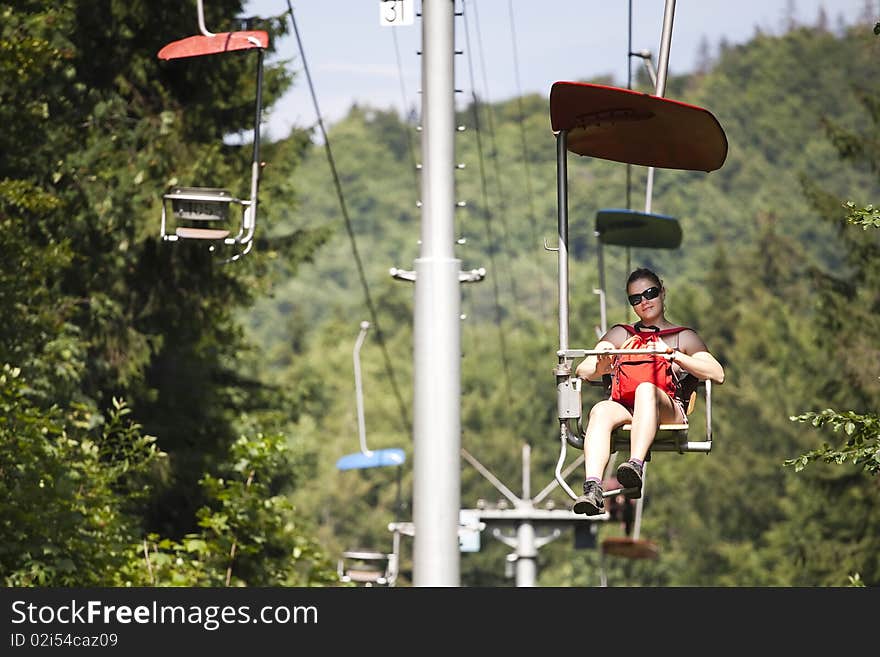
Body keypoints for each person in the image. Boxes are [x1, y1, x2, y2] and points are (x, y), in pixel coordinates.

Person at [571, 267, 724, 515]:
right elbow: (584, 370)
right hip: (627, 408)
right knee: (600, 410)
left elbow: (717, 374)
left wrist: (675, 356)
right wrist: (601, 363)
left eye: (650, 293)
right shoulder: (622, 334)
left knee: (645, 391)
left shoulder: (681, 337)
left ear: (662, 292)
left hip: (666, 408)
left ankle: (635, 465)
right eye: (636, 299)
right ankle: (593, 488)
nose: (644, 302)